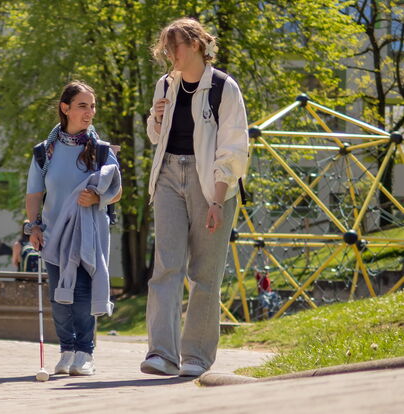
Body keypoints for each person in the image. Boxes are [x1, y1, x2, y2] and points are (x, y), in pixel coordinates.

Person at [142, 18, 248, 377]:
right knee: (166, 268)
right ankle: (162, 354)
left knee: (204, 275)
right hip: (169, 176)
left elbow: (233, 148)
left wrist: (218, 200)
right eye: (166, 47)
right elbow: (156, 138)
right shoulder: (165, 84)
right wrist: (155, 119)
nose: (170, 53)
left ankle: (197, 358)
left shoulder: (224, 87)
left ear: (198, 45)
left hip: (211, 183)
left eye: (176, 46)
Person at [25, 81, 122, 377]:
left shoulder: (102, 150)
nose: (89, 112)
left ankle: (85, 353)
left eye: (92, 106)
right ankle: (67, 350)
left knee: (81, 293)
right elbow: (34, 193)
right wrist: (34, 227)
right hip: (53, 236)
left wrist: (97, 196)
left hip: (88, 234)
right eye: (82, 105)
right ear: (65, 108)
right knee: (58, 295)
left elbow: (117, 190)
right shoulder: (45, 151)